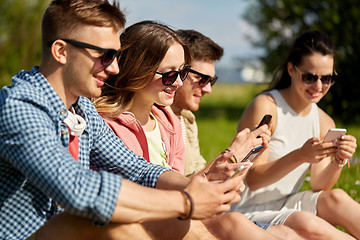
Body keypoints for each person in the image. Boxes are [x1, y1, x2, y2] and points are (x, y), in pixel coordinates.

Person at [0, 1, 248, 239]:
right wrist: (186, 202)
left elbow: (136, 168)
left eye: (116, 55)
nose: (115, 68)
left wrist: (198, 188)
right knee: (117, 227)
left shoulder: (81, 107)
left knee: (178, 223)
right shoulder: (19, 108)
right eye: (104, 55)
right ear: (61, 51)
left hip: (64, 229)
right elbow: (79, 189)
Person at [94, 21, 283, 240]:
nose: (176, 82)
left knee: (240, 222)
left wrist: (225, 169)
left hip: (175, 217)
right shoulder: (106, 125)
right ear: (138, 69)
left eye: (182, 73)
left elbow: (178, 182)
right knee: (233, 223)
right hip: (136, 225)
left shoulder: (170, 122)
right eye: (168, 75)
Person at [171, 29, 303, 239]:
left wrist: (243, 159)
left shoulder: (186, 119)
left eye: (211, 81)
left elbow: (206, 181)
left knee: (295, 228)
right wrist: (231, 153)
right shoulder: (158, 119)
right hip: (183, 220)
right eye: (200, 78)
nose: (207, 89)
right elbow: (180, 188)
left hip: (204, 215)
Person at [230, 30, 359, 239]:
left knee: (337, 198)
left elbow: (319, 185)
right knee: (306, 221)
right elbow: (252, 179)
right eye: (310, 77)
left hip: (286, 203)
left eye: (327, 78)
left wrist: (338, 160)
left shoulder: (324, 121)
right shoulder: (267, 107)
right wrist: (301, 155)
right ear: (291, 69)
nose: (319, 86)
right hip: (246, 210)